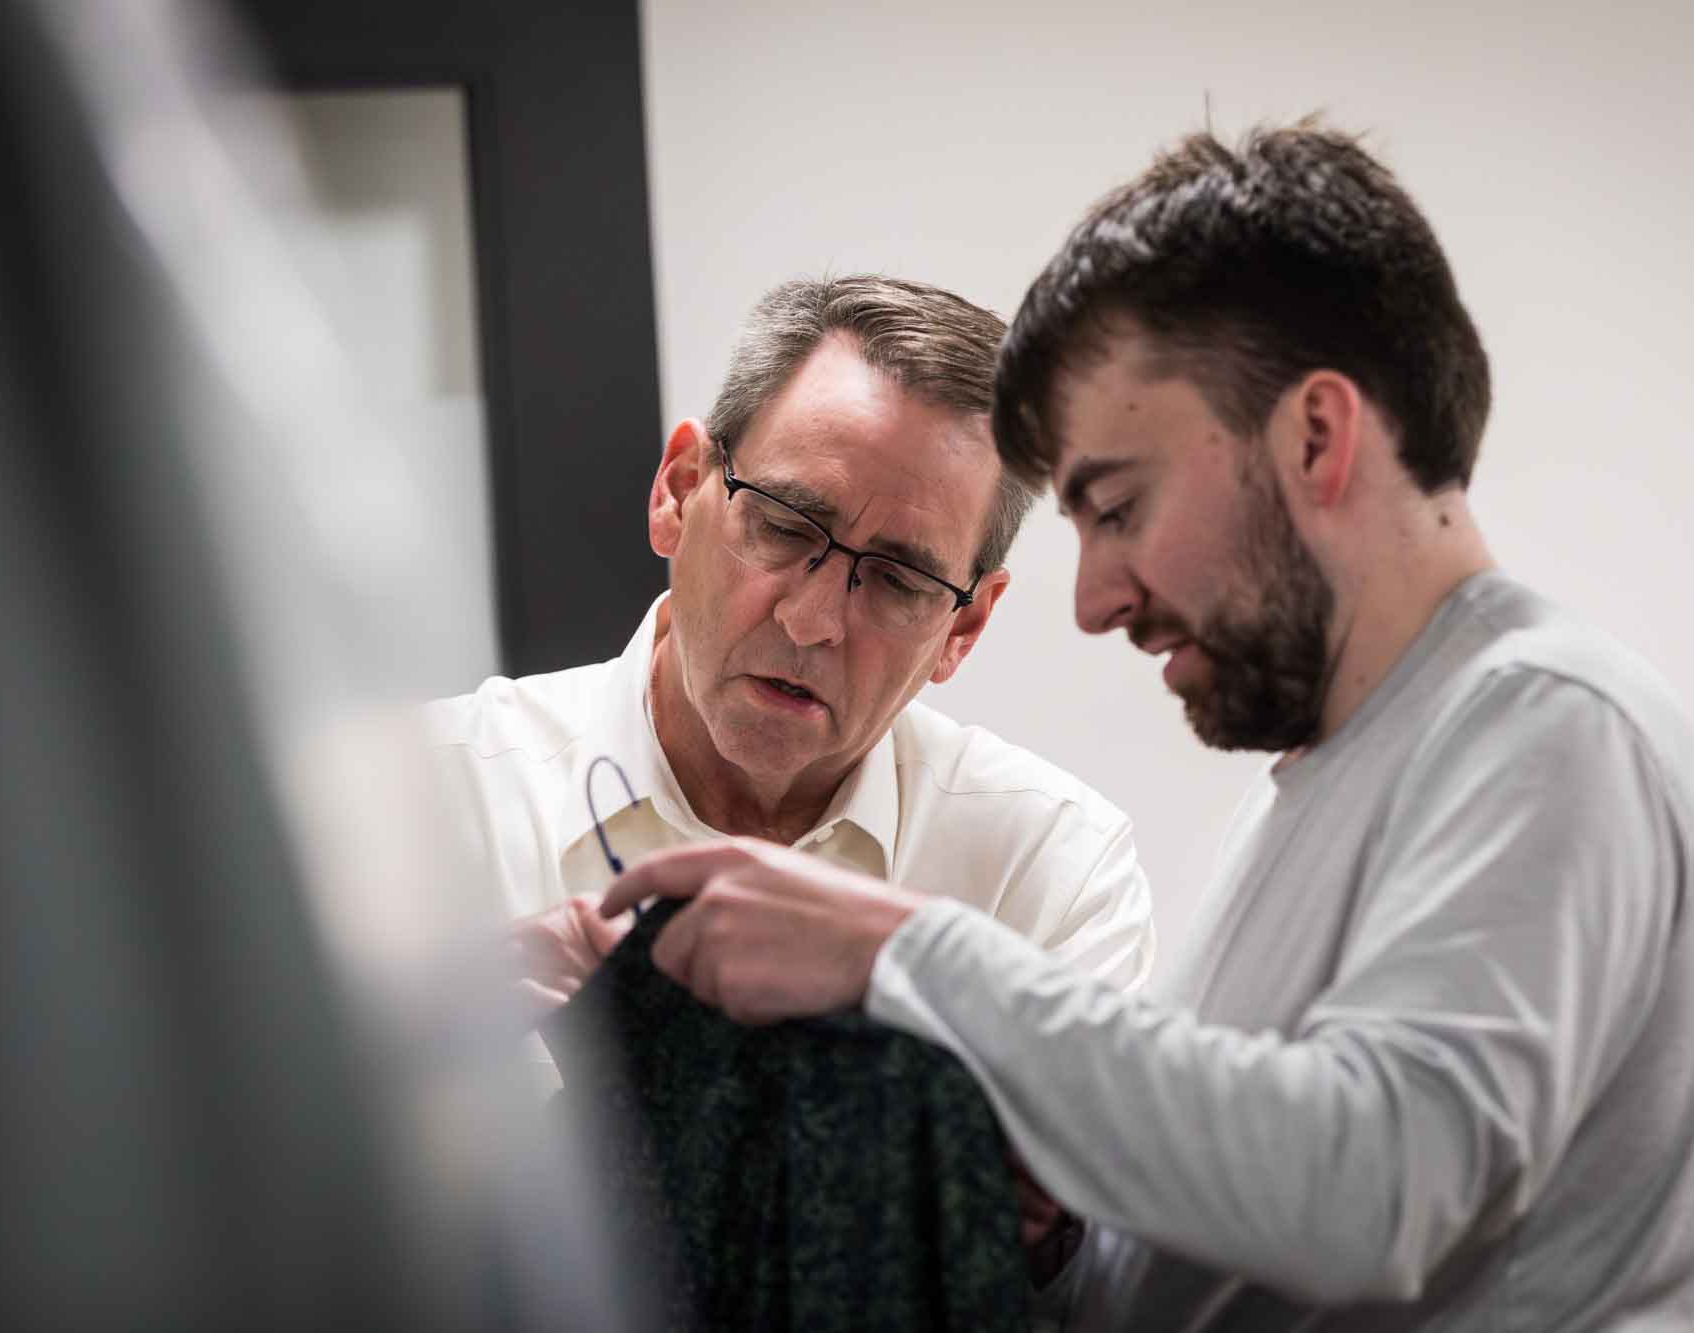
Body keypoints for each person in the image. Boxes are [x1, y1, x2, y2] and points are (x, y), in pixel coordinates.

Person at [599, 123, 1694, 1330]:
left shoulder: (1546, 720)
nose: (1094, 600)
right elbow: (1228, 1257)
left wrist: (897, 951)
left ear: (1313, 438)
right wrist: (1048, 1225)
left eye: (1118, 506)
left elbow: (1376, 1191)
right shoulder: (1324, 782)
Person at [423, 275, 1156, 1063]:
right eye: (781, 526)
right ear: (678, 491)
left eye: (899, 581)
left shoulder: (1049, 879)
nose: (810, 622)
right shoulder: (428, 806)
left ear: (964, 626)